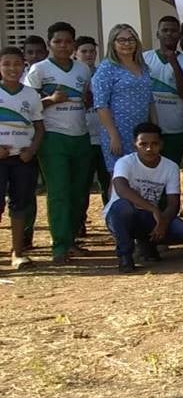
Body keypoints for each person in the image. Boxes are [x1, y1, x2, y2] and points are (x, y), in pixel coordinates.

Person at [23, 21, 92, 263]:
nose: (63, 46)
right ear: (50, 43)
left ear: (73, 44)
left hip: (80, 136)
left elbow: (87, 99)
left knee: (79, 193)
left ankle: (72, 240)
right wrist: (51, 100)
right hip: (53, 138)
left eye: (67, 41)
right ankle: (60, 247)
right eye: (57, 41)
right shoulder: (39, 70)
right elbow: (26, 107)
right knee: (59, 193)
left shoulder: (82, 69)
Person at [103, 122, 183, 272]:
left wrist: (163, 221)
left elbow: (173, 203)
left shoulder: (170, 167)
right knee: (123, 206)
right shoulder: (124, 162)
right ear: (135, 144)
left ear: (161, 145)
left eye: (154, 144)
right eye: (143, 144)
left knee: (181, 231)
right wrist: (154, 210)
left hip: (148, 217)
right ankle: (125, 255)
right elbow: (121, 189)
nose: (149, 148)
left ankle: (148, 244)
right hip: (120, 216)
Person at [0, 45, 44, 268]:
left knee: (20, 205)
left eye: (17, 64)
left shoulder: (31, 94)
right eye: (6, 64)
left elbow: (39, 127)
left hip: (23, 160)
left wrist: (32, 150)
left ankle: (17, 253)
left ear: (24, 66)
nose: (12, 68)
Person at [91, 23, 154, 172]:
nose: (127, 43)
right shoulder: (107, 68)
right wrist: (113, 135)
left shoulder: (142, 66)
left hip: (141, 132)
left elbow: (149, 99)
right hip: (118, 131)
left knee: (139, 176)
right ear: (113, 43)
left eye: (131, 39)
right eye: (121, 40)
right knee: (119, 176)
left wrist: (155, 127)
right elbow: (101, 105)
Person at [143, 16, 183, 165]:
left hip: (176, 128)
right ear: (158, 34)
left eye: (173, 31)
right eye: (165, 30)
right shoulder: (145, 58)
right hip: (150, 128)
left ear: (179, 35)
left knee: (171, 169)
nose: (169, 34)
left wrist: (174, 64)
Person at [74, 36, 110, 201]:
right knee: (82, 184)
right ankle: (79, 222)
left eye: (92, 51)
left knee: (107, 181)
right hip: (83, 137)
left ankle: (111, 220)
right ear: (75, 53)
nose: (89, 54)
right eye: (84, 51)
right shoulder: (72, 77)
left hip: (104, 138)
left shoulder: (103, 74)